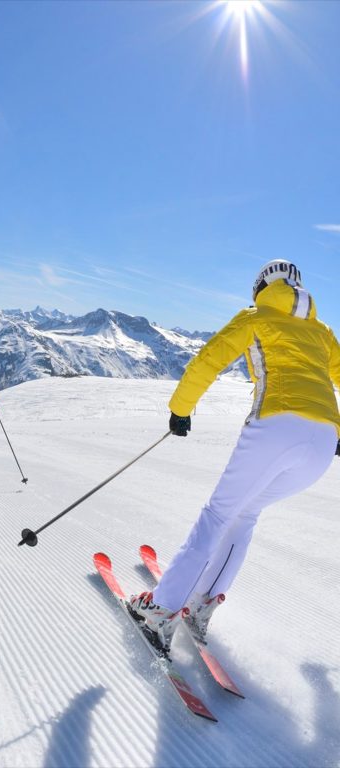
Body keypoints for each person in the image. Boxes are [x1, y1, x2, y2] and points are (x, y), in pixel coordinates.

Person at [129, 259, 340, 655]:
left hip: (276, 425)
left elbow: (209, 360)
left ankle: (160, 609)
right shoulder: (322, 330)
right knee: (245, 513)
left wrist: (181, 408)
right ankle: (202, 602)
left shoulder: (255, 316)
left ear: (261, 286)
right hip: (323, 443)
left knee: (219, 514)